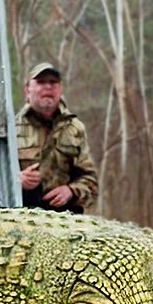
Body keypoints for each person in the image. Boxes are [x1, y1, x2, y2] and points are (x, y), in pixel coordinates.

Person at [15, 62, 99, 213]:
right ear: (27, 90)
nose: (48, 87)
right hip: (22, 216)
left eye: (53, 82)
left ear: (60, 89)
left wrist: (71, 191)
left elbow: (91, 183)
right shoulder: (10, 128)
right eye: (41, 82)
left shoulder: (74, 128)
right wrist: (16, 180)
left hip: (65, 218)